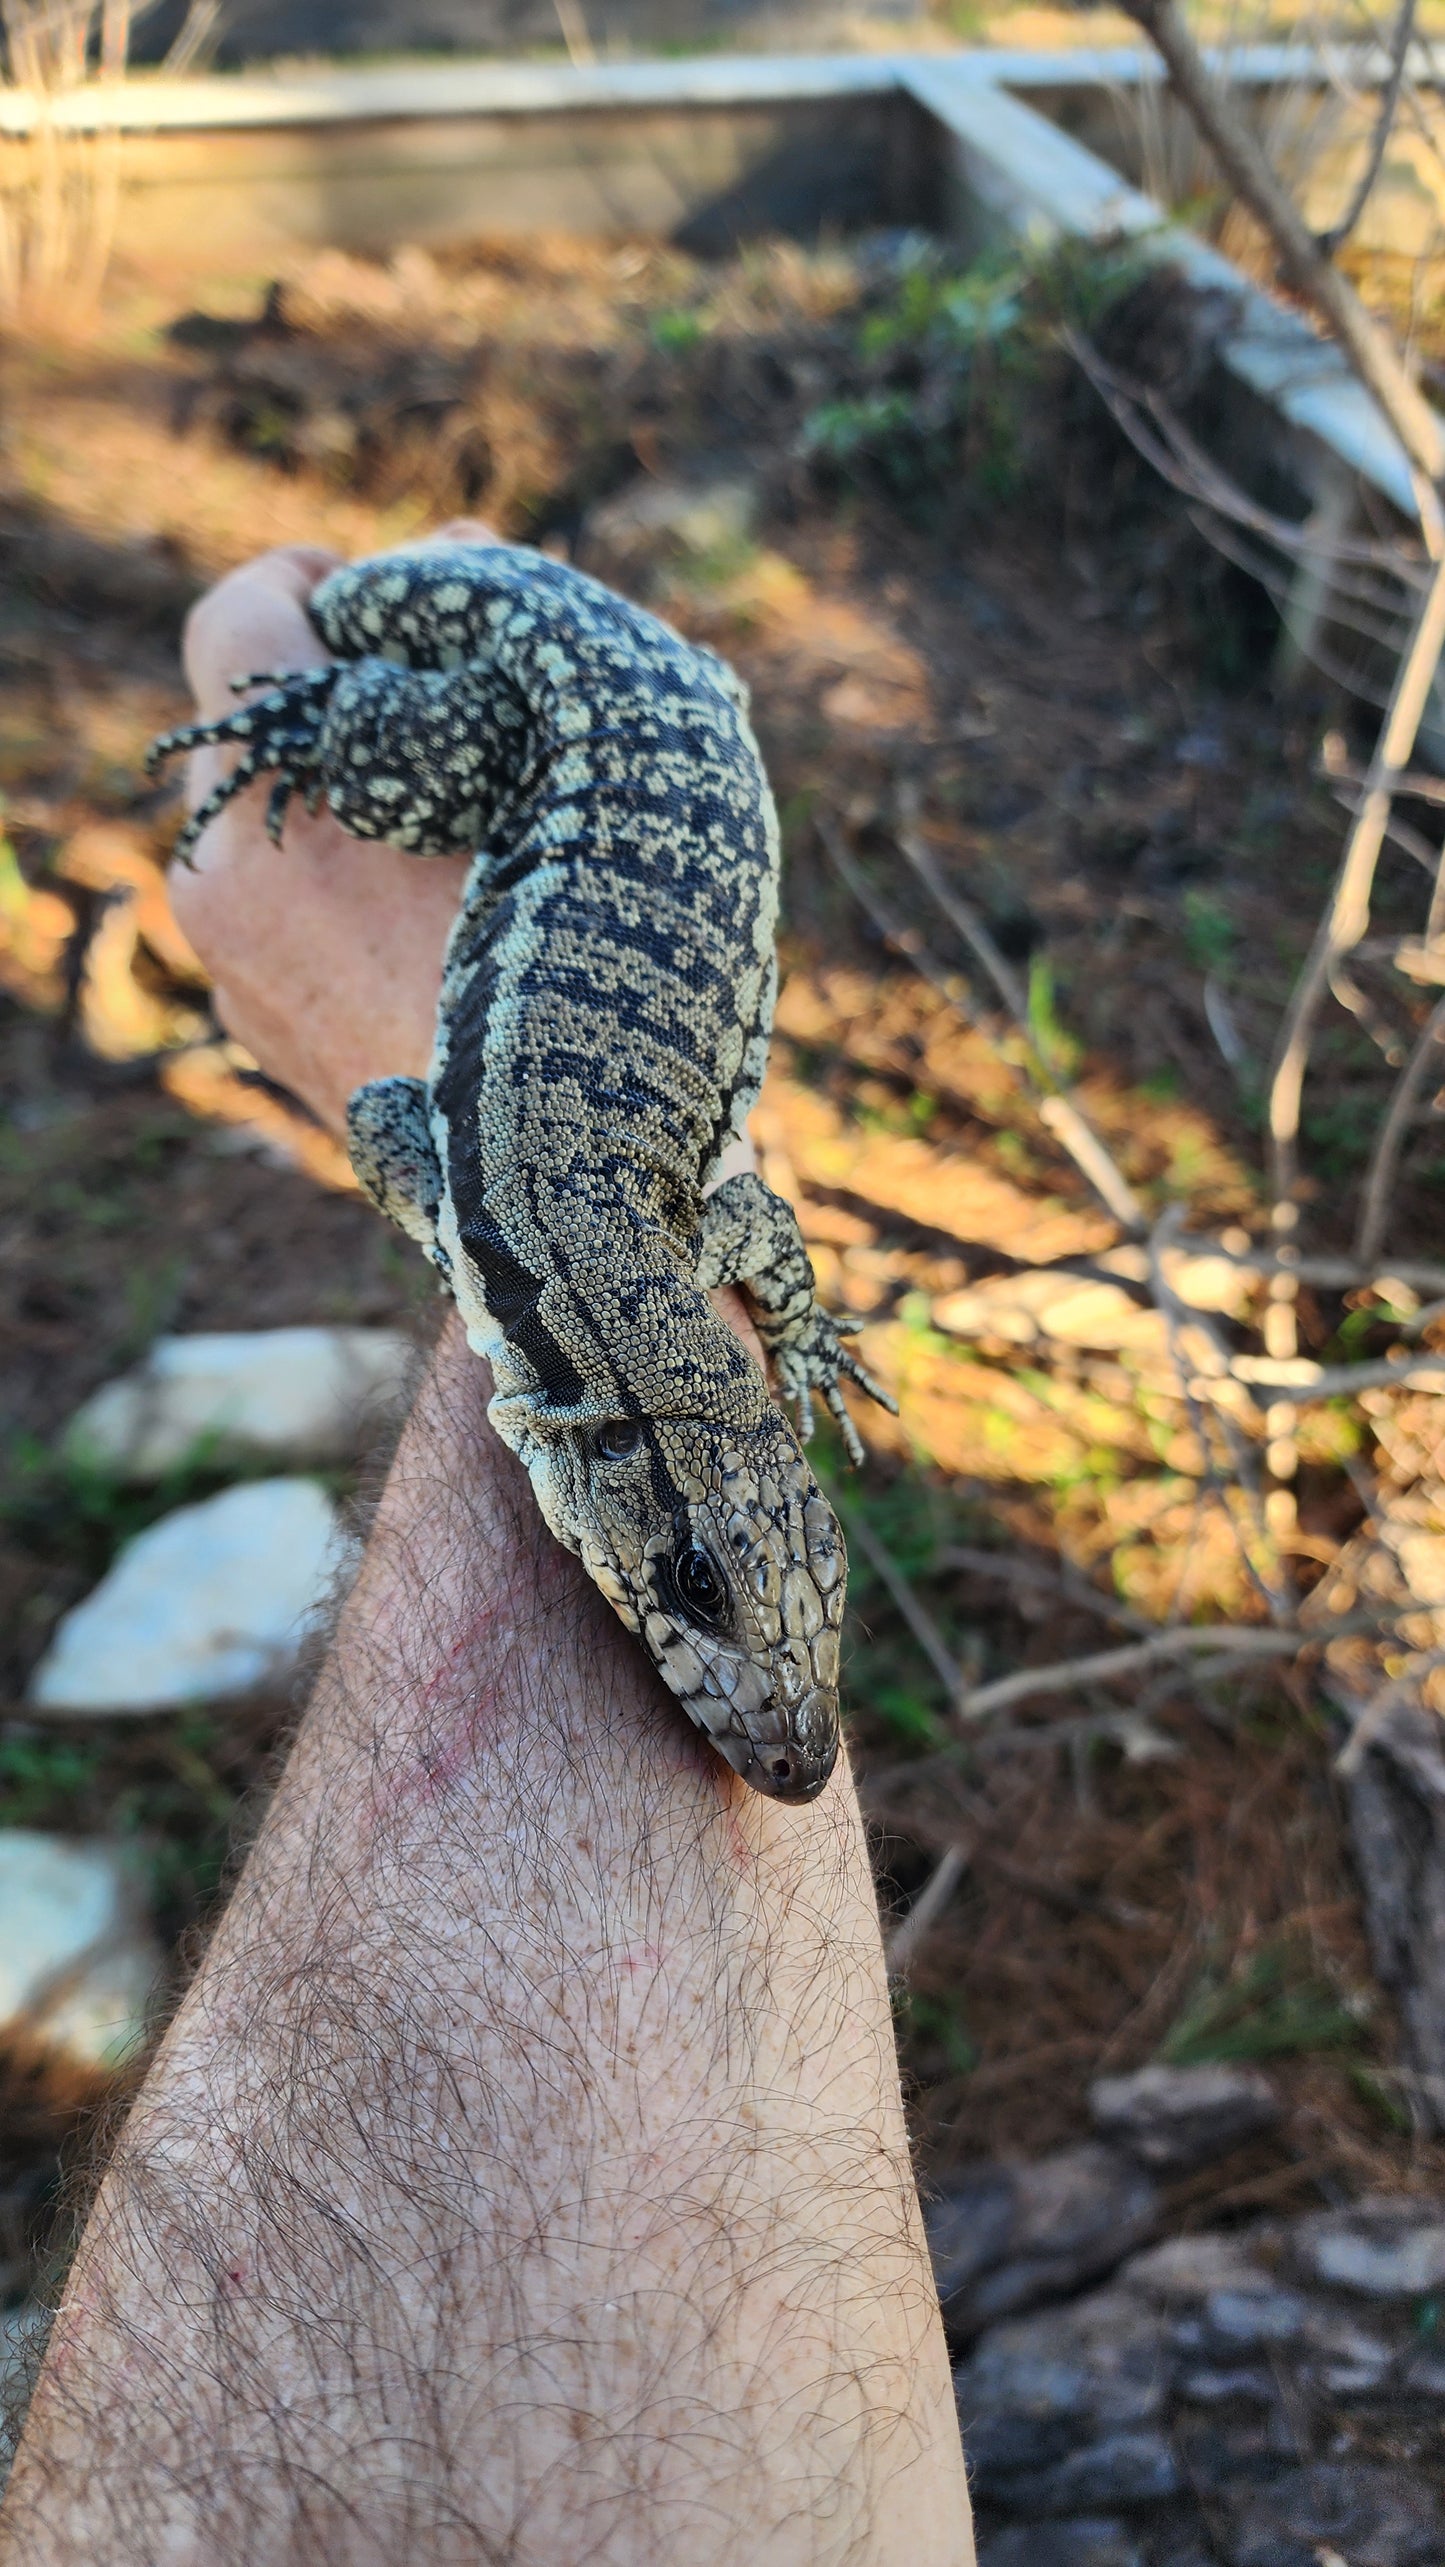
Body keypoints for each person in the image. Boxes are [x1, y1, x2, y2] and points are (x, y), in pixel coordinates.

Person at [0, 526, 975, 2566]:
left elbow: (711, 1225)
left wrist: (783, 1336)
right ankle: (315, 706)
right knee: (339, 745)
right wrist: (319, 735)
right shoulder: (482, 1174)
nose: (765, 1713)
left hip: (638, 702)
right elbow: (404, 1131)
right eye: (705, 1603)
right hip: (558, 686)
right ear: (609, 1469)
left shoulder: (558, 1210)